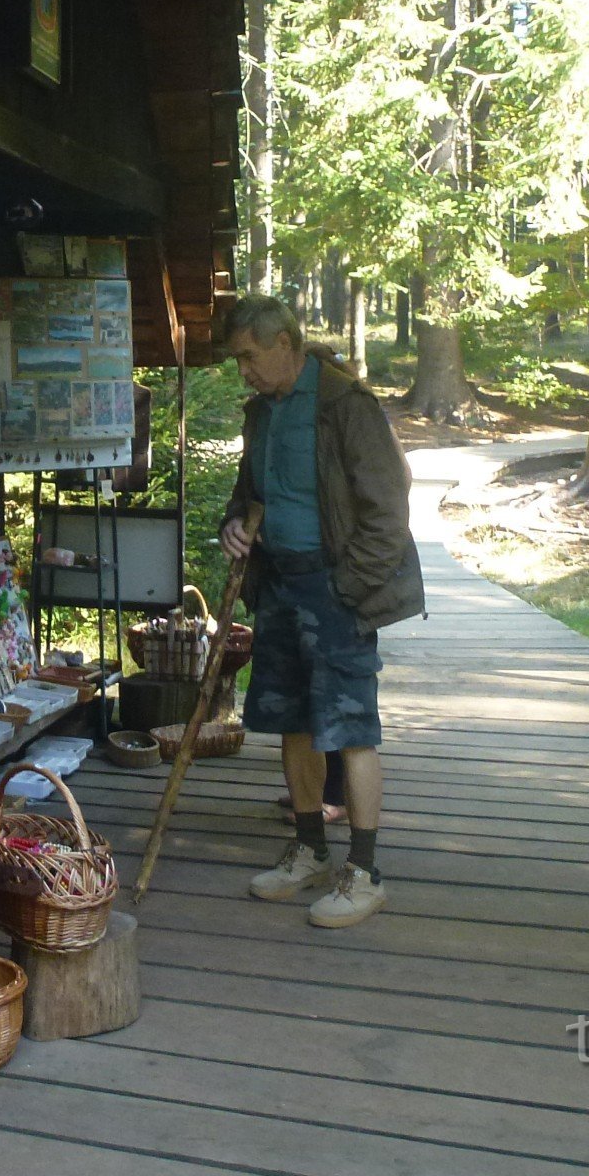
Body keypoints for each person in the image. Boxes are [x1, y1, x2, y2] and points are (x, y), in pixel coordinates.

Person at [219, 295, 423, 928]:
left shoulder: (344, 406)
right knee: (292, 721)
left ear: (285, 342)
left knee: (352, 728)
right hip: (278, 584)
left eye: (249, 357)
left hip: (335, 590)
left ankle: (364, 872)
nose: (243, 371)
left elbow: (388, 512)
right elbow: (251, 493)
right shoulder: (262, 413)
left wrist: (347, 589)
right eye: (238, 361)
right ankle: (309, 847)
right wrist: (235, 525)